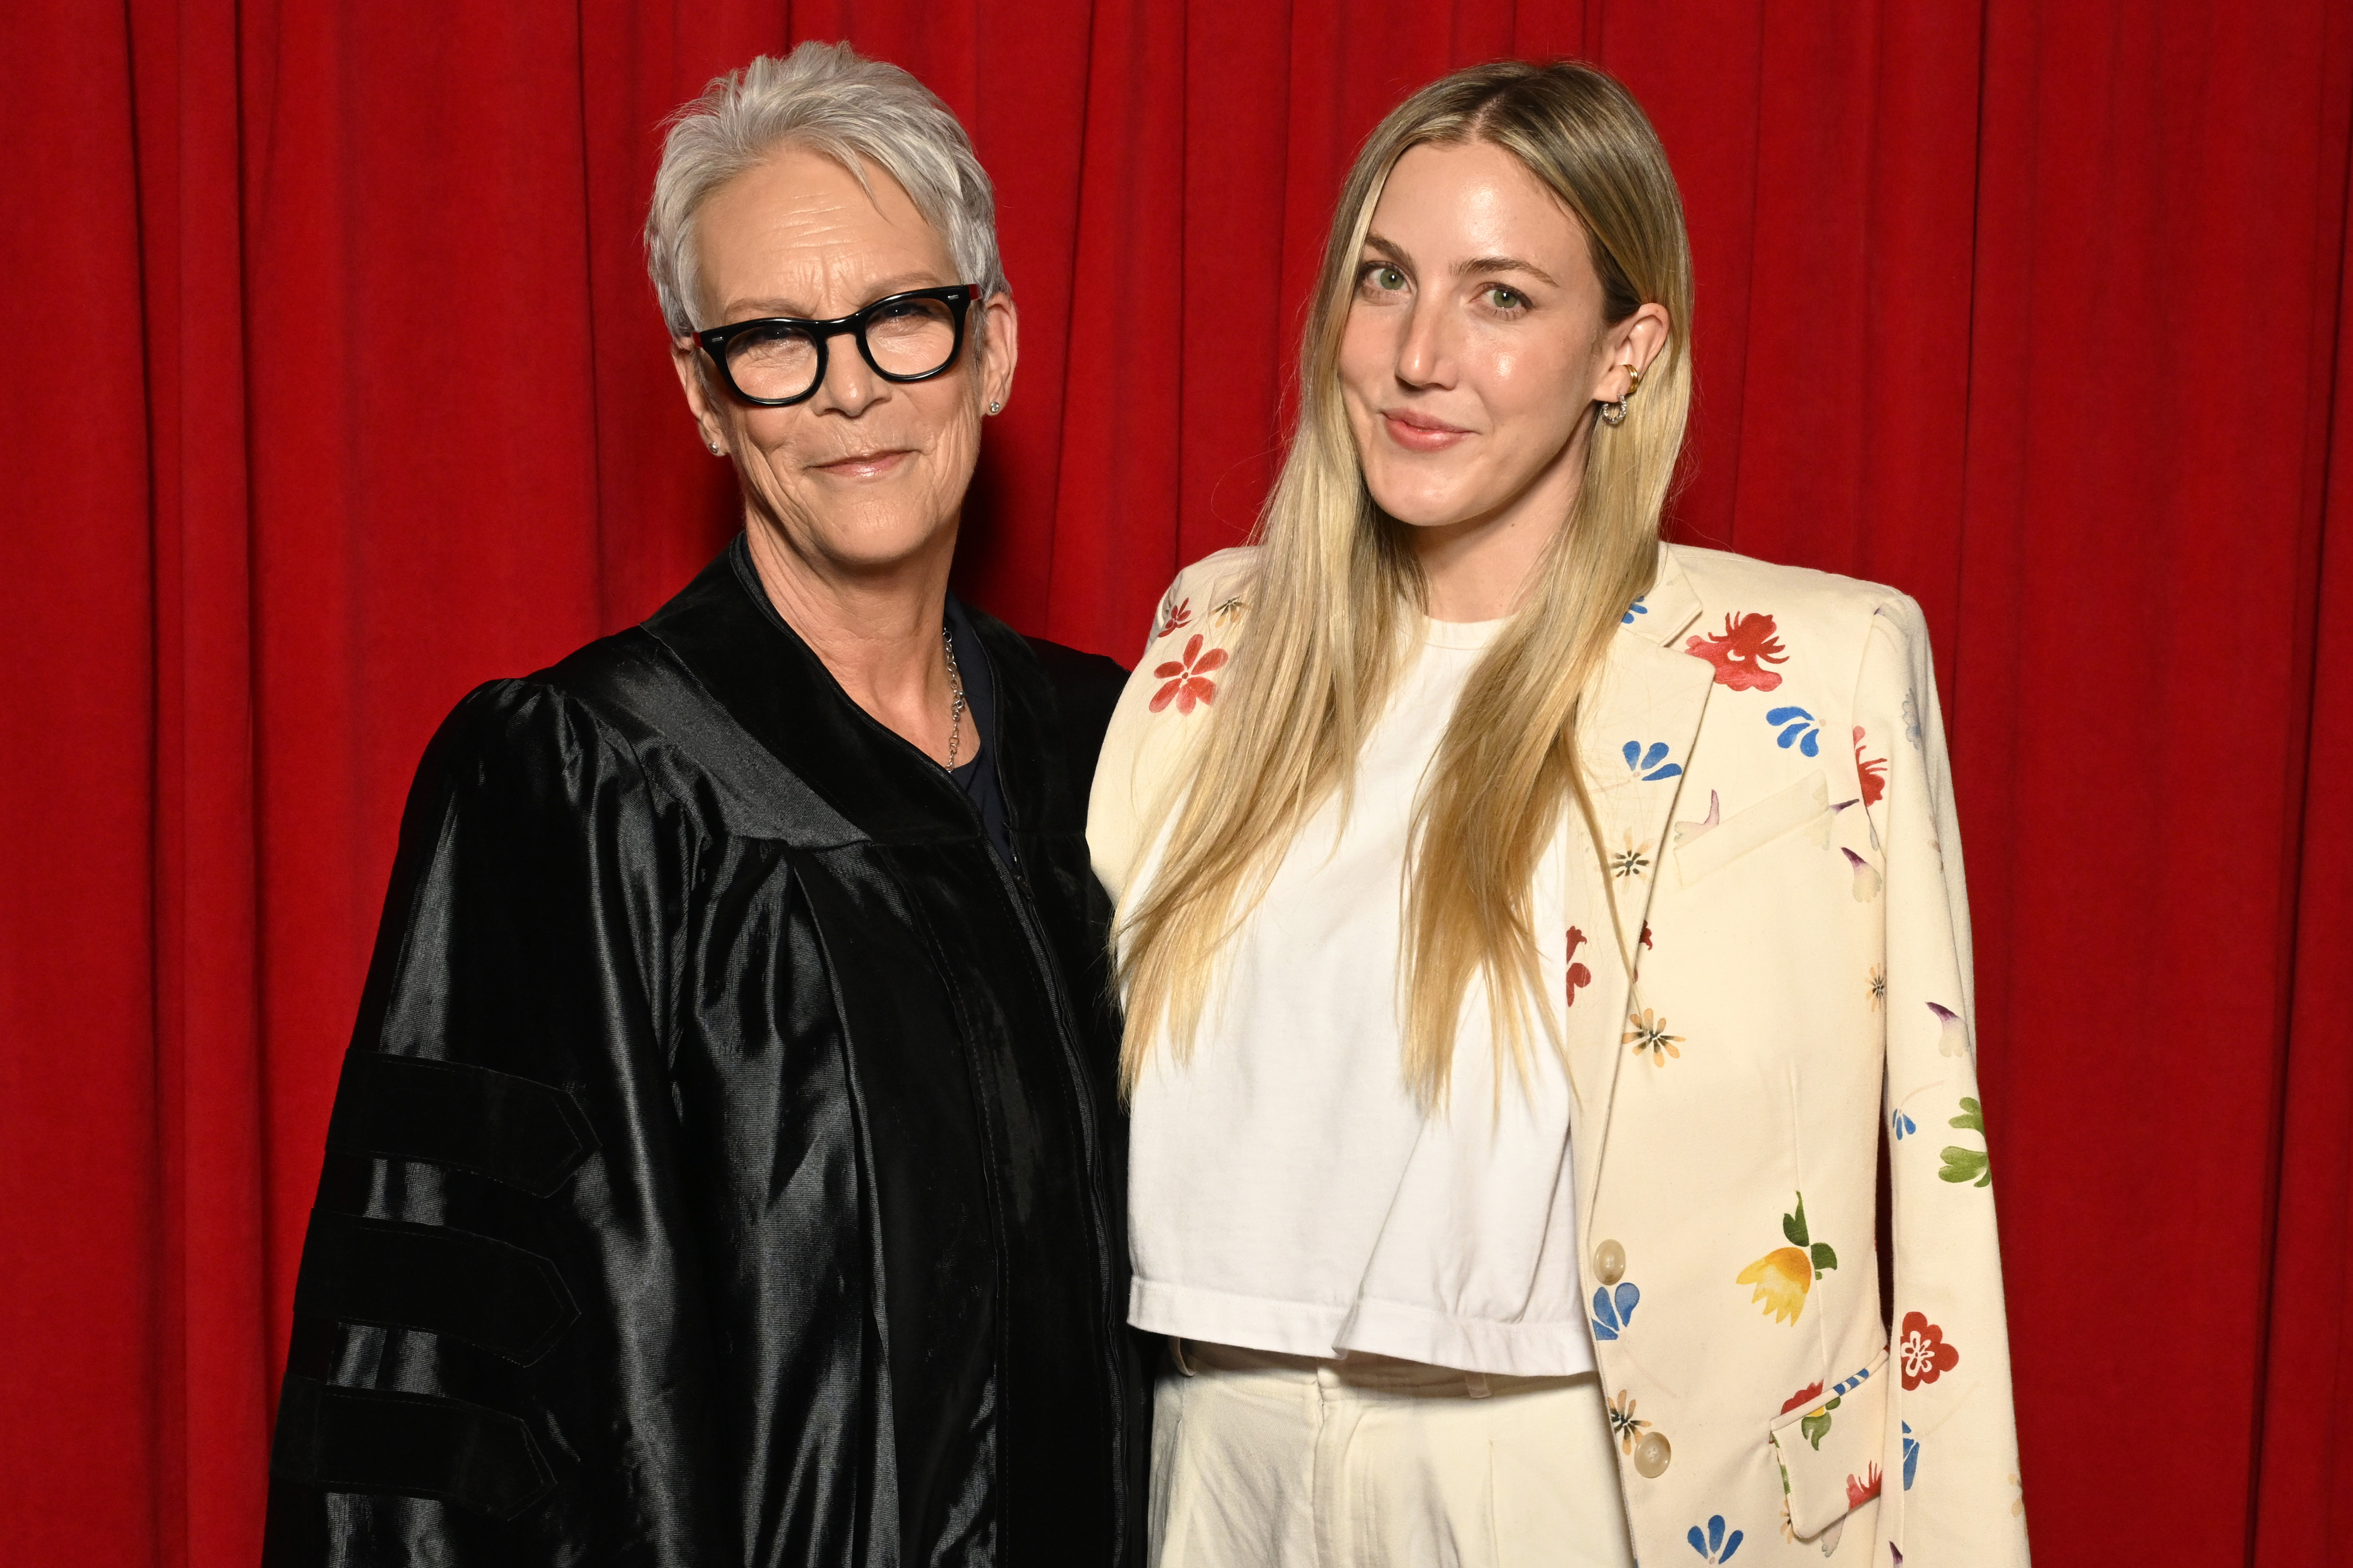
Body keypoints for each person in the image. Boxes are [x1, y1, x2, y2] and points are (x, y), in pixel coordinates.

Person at [1088, 60, 2028, 1568]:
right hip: (1218, 1458)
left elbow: (1937, 1173)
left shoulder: (1814, 668)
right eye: (1384, 279)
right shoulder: (1218, 634)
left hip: (1557, 1482)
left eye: (1503, 297)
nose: (1418, 354)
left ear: (1625, 349)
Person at [263, 42, 1145, 1567]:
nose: (851, 386)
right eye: (775, 340)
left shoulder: (1126, 757)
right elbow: (438, 1392)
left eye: (901, 318)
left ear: (991, 344)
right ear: (704, 393)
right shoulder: (582, 784)